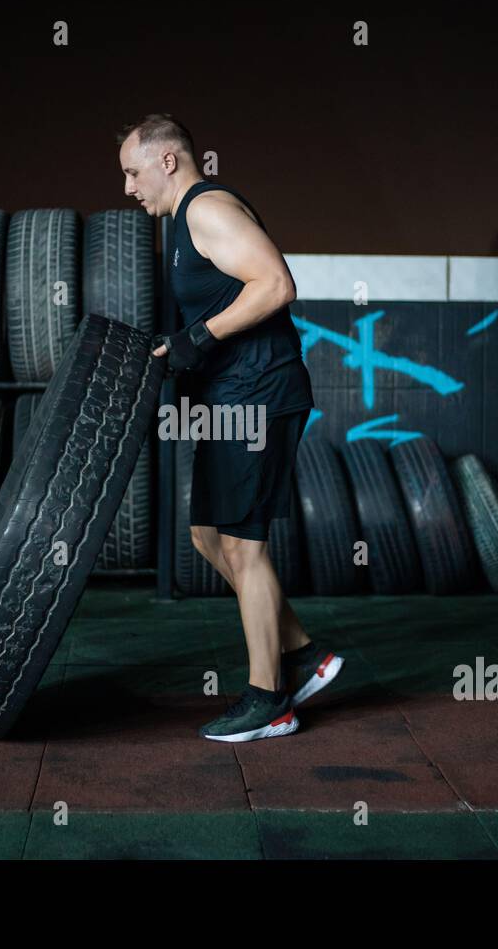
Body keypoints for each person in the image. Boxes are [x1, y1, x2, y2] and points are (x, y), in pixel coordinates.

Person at [117, 113, 346, 742]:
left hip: (260, 398)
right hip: (230, 399)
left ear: (168, 161)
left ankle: (269, 699)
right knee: (206, 536)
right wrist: (183, 349)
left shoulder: (206, 209)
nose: (129, 187)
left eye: (134, 172)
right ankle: (301, 654)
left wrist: (199, 336)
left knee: (243, 546)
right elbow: (225, 301)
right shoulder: (186, 224)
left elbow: (276, 284)